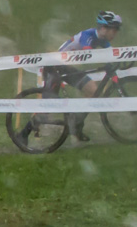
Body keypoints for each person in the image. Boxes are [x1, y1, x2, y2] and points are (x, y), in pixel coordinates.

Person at [46, 11, 124, 142]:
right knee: (46, 105)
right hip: (56, 66)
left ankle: (77, 123)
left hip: (67, 66)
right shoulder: (87, 35)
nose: (115, 33)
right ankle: (24, 133)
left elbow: (111, 52)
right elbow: (88, 53)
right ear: (104, 28)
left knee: (93, 92)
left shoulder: (102, 39)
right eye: (114, 30)